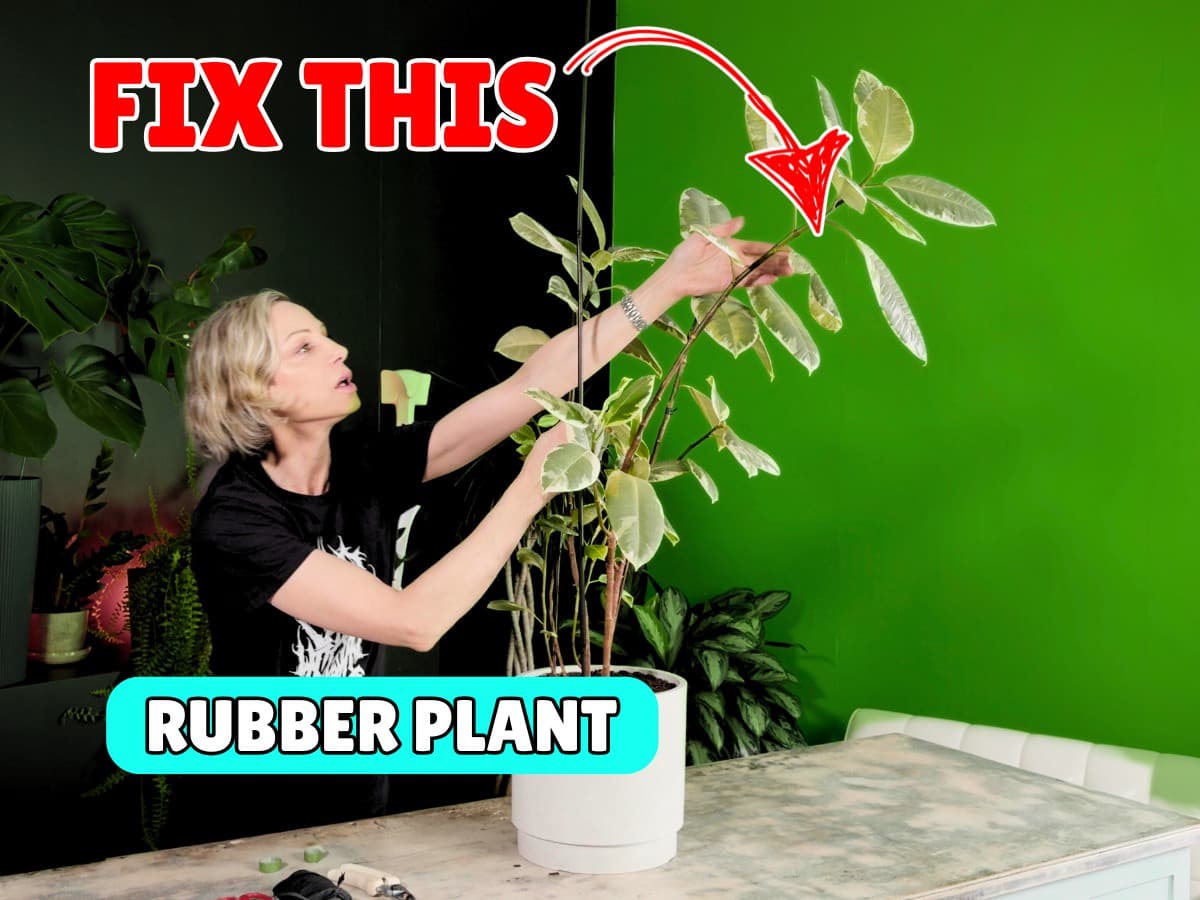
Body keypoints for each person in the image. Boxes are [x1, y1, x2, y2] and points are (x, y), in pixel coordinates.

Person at [174, 216, 791, 843]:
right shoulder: (235, 519)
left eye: (327, 337)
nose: (338, 349)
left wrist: (669, 283)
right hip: (250, 820)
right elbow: (413, 621)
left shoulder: (361, 463)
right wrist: (529, 490)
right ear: (250, 388)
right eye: (304, 347)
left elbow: (531, 385)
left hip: (356, 799)